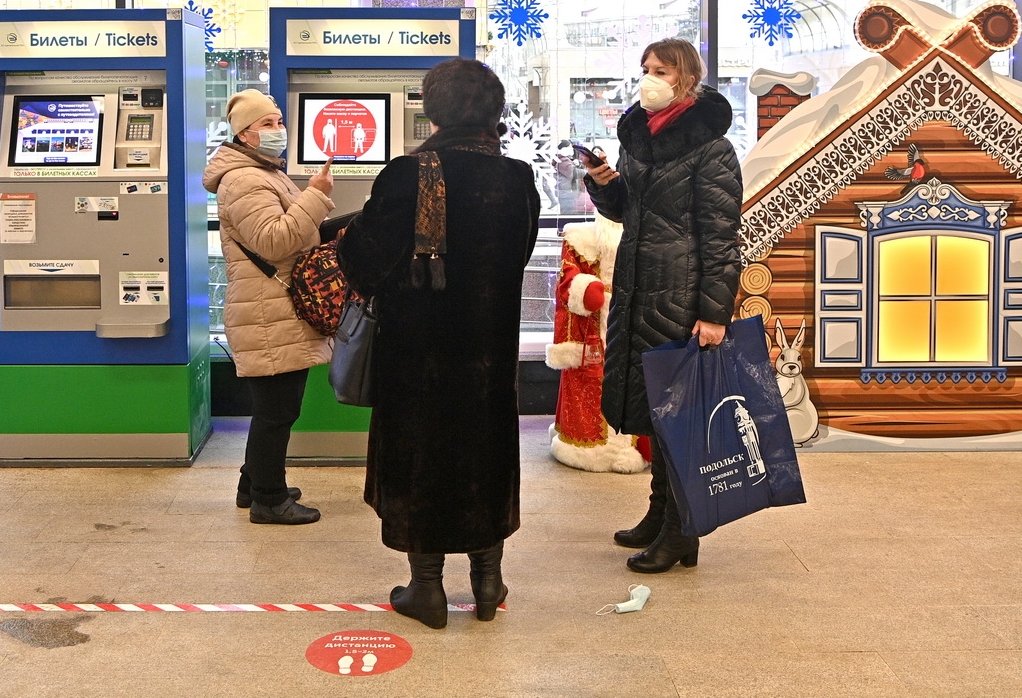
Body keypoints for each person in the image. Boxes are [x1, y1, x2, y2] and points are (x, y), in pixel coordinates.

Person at [338, 58, 541, 629]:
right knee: (484, 453)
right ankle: (487, 582)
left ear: (434, 110)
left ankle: (426, 587)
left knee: (421, 455)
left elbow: (364, 265)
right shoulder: (518, 179)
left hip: (417, 355)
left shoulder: (407, 174)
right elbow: (518, 256)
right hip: (489, 353)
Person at [583, 38, 742, 574]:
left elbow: (722, 237)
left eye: (662, 69)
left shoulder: (712, 148)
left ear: (687, 78)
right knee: (656, 409)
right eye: (645, 68)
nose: (650, 77)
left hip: (682, 293)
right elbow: (631, 212)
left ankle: (682, 531)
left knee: (680, 416)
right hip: (637, 286)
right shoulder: (639, 138)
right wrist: (605, 184)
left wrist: (716, 312)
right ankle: (659, 512)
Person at [203, 89, 335, 524]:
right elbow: (275, 239)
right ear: (244, 134)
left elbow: (293, 229)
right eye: (268, 124)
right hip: (266, 310)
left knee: (274, 408)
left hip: (271, 307)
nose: (279, 130)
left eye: (279, 120)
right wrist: (316, 193)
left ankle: (253, 483)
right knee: (277, 412)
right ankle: (269, 499)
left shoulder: (263, 172)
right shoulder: (244, 179)